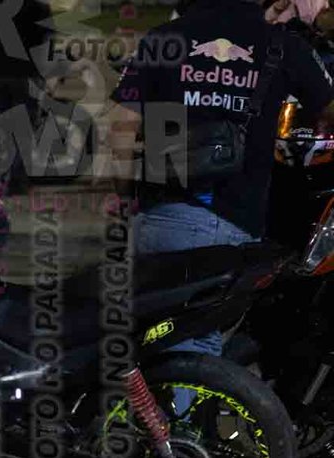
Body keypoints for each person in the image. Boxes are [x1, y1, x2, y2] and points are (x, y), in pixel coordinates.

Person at [115, 0, 334, 354]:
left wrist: (125, 198)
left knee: (140, 342)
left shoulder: (163, 37)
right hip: (225, 223)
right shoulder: (283, 46)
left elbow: (120, 132)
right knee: (190, 350)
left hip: (153, 218)